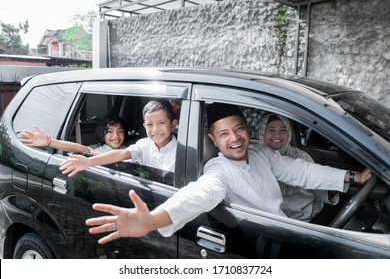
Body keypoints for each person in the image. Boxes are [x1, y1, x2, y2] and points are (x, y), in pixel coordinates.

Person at [84, 103, 372, 245]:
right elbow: (196, 195)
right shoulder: (218, 170)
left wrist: (352, 178)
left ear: (247, 129)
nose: (234, 138)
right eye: (224, 134)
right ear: (213, 139)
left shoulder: (261, 153)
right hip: (261, 242)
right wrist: (152, 220)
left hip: (286, 230)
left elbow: (301, 171)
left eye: (239, 129)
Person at [59, 99, 178, 176]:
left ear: (173, 125)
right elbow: (121, 154)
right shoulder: (143, 145)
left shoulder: (183, 151)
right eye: (150, 125)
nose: (155, 130)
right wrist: (90, 162)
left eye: (161, 123)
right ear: (144, 126)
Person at [258, 113, 338, 222]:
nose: (277, 135)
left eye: (283, 130)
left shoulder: (301, 156)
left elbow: (318, 188)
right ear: (262, 132)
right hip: (270, 220)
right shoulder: (255, 158)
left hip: (304, 220)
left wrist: (332, 189)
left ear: (289, 133)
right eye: (271, 130)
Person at [19, 114, 129, 155]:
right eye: (110, 131)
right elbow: (80, 148)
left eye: (120, 131)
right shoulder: (101, 151)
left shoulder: (129, 149)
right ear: (102, 134)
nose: (116, 136)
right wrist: (49, 141)